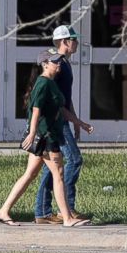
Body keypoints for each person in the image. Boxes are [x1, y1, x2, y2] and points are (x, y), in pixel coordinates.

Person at [0, 50, 92, 227]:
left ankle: (3, 210)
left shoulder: (51, 83)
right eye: (55, 61)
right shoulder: (43, 83)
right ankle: (67, 218)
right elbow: (36, 110)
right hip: (45, 137)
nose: (59, 64)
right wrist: (32, 134)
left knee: (30, 174)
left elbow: (61, 110)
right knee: (59, 174)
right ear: (45, 64)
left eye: (59, 61)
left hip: (47, 135)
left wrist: (80, 123)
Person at [34, 25, 94, 224]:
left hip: (65, 119)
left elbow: (65, 99)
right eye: (73, 39)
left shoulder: (65, 64)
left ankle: (42, 211)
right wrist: (76, 121)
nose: (76, 42)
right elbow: (53, 102)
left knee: (50, 167)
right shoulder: (56, 65)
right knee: (74, 160)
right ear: (64, 42)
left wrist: (76, 121)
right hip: (56, 122)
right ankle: (65, 208)